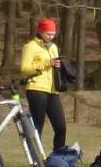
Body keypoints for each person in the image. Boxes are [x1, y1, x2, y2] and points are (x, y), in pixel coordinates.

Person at [20, 18, 67, 154]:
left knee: (61, 127)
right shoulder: (30, 47)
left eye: (53, 34)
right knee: (38, 126)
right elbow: (24, 69)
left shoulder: (53, 47)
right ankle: (36, 159)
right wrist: (47, 63)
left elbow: (54, 66)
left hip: (53, 90)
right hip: (36, 88)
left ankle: (58, 157)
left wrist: (58, 66)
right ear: (40, 32)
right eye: (48, 34)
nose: (51, 37)